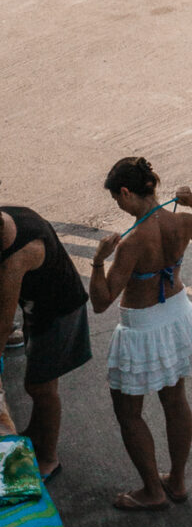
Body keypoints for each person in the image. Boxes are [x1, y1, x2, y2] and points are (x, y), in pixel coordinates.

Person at [87, 158, 192, 513]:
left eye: (117, 199)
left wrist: (98, 261)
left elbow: (102, 302)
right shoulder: (182, 220)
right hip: (178, 315)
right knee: (175, 399)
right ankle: (176, 481)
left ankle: (152, 490)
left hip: (144, 326)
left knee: (128, 411)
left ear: (127, 192)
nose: (118, 205)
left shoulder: (132, 241)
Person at [0, 201, 91, 481]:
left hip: (59, 312)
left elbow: (3, 322)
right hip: (38, 306)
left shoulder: (19, 254)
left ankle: (49, 457)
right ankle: (34, 434)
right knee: (38, 382)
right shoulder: (8, 215)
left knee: (41, 387)